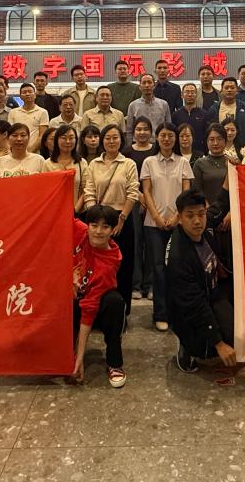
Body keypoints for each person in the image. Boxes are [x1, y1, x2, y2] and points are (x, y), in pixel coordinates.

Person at [168, 189, 236, 373]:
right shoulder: (178, 257)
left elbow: (220, 204)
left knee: (236, 336)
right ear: (179, 218)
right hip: (187, 308)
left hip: (213, 292)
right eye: (190, 216)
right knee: (207, 347)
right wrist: (219, 344)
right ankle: (187, 347)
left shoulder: (204, 227)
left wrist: (230, 177)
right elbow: (193, 304)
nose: (197, 221)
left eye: (201, 214)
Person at [139, 122, 193, 330]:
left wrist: (177, 217)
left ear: (175, 138)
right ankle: (160, 314)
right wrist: (157, 217)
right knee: (158, 269)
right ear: (157, 138)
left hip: (179, 223)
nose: (167, 139)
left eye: (171, 135)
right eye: (163, 135)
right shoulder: (149, 162)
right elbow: (146, 191)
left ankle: (177, 312)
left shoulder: (183, 162)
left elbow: (186, 192)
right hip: (153, 224)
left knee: (177, 269)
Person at [83, 125, 140, 314]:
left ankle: (122, 311)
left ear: (121, 140)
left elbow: (133, 192)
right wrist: (95, 218)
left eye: (115, 137)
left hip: (122, 218)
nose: (111, 141)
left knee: (123, 265)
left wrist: (121, 219)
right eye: (107, 137)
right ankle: (96, 309)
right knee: (97, 266)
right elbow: (89, 190)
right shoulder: (93, 164)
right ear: (102, 140)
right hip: (99, 219)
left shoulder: (128, 164)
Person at [71, 205, 126, 388]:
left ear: (113, 230)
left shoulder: (108, 264)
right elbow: (60, 215)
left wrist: (80, 357)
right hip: (70, 300)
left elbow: (89, 308)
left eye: (105, 227)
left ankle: (114, 362)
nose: (98, 231)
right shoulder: (81, 232)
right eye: (94, 225)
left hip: (95, 309)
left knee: (115, 302)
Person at [124, 116, 156, 301]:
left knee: (152, 243)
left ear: (151, 132)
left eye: (145, 129)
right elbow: (126, 178)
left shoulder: (155, 150)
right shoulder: (127, 152)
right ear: (133, 132)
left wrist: (148, 197)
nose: (142, 132)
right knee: (135, 244)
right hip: (133, 202)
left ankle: (150, 284)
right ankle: (135, 285)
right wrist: (139, 195)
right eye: (139, 129)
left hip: (154, 202)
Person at [46, 124, 88, 212]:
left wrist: (75, 209)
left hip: (77, 212)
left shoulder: (82, 163)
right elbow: (45, 191)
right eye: (64, 138)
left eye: (71, 138)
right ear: (57, 140)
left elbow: (86, 189)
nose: (68, 141)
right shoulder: (47, 163)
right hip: (54, 211)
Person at [193, 124, 230, 205]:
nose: (215, 143)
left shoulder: (231, 162)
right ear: (207, 142)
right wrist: (207, 208)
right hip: (207, 209)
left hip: (230, 210)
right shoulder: (199, 163)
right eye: (211, 139)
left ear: (225, 141)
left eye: (219, 139)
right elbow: (197, 190)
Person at [208, 77, 245, 148]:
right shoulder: (214, 108)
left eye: (232, 88)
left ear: (237, 90)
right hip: (218, 146)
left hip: (240, 147)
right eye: (226, 88)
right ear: (221, 90)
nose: (229, 90)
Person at [8, 83, 50, 153]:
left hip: (35, 153)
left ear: (35, 95)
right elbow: (10, 133)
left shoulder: (43, 112)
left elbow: (42, 135)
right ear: (20, 96)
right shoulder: (13, 112)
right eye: (24, 92)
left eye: (30, 91)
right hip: (16, 151)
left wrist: (30, 151)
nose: (27, 94)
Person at [174, 83, 209, 152]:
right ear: (182, 95)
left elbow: (207, 135)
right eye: (187, 92)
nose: (190, 95)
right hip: (180, 152)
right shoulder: (176, 115)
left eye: (192, 92)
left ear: (196, 95)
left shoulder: (204, 114)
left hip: (200, 152)